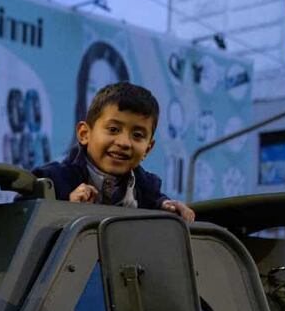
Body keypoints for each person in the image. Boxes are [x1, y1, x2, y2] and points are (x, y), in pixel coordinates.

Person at [34, 82, 195, 221]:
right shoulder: (51, 181)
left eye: (137, 135)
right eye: (113, 129)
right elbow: (24, 222)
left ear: (148, 148)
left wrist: (167, 209)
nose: (124, 142)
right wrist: (65, 208)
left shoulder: (148, 190)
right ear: (84, 134)